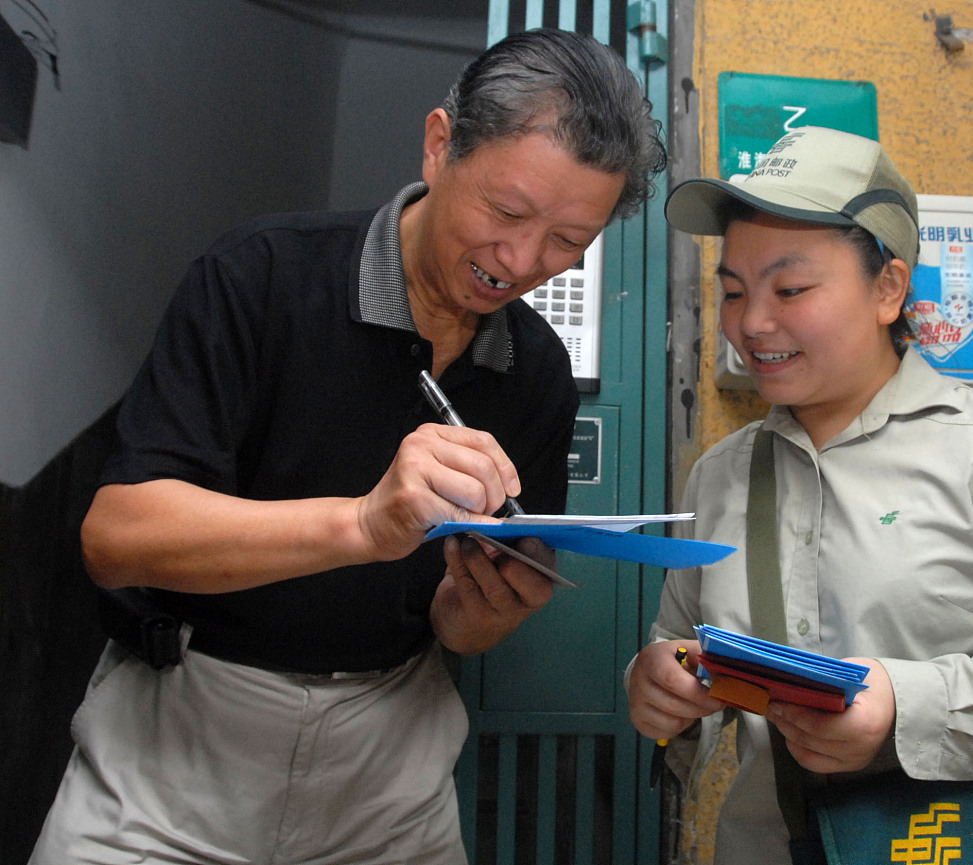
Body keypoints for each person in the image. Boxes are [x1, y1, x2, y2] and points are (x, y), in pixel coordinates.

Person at [30, 28, 666, 865]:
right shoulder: (258, 278)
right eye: (506, 212)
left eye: (567, 243)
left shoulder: (536, 373)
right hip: (177, 739)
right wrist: (363, 525)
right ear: (440, 145)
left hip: (387, 763)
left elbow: (457, 626)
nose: (520, 261)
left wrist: (481, 613)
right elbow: (116, 541)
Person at [626, 126, 973, 865]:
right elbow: (684, 651)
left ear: (888, 289)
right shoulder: (721, 473)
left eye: (790, 288)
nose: (751, 323)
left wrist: (908, 704)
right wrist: (663, 689)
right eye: (734, 290)